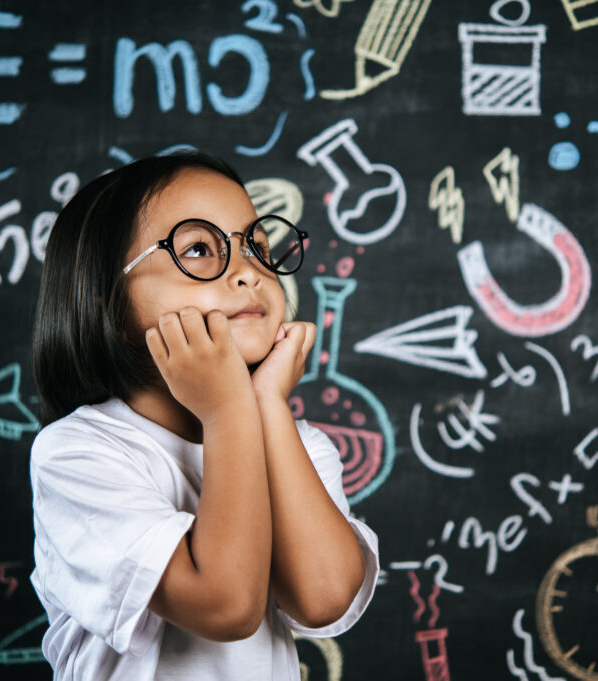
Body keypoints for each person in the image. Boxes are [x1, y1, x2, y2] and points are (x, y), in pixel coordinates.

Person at [29, 151, 379, 681]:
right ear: (109, 307)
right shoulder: (77, 453)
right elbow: (226, 604)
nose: (248, 273)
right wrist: (227, 408)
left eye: (258, 248)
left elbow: (323, 597)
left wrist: (264, 406)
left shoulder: (299, 447)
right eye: (197, 249)